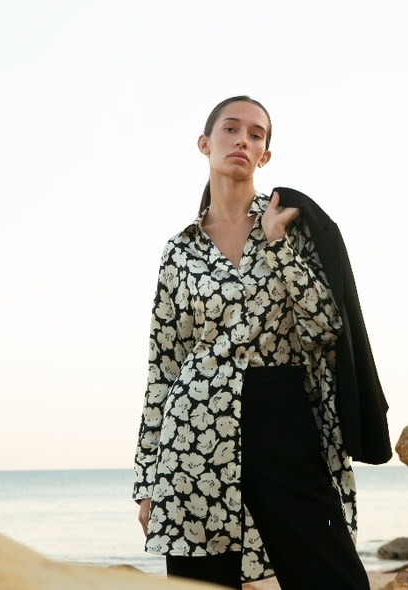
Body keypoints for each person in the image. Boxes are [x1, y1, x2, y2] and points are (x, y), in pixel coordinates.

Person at [132, 96, 392, 589]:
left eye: (256, 135)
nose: (243, 140)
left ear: (265, 156)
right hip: (193, 430)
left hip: (283, 412)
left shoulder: (291, 225)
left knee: (331, 573)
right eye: (231, 129)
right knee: (201, 582)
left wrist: (276, 247)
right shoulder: (179, 250)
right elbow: (164, 367)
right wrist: (147, 481)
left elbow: (324, 327)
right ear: (205, 143)